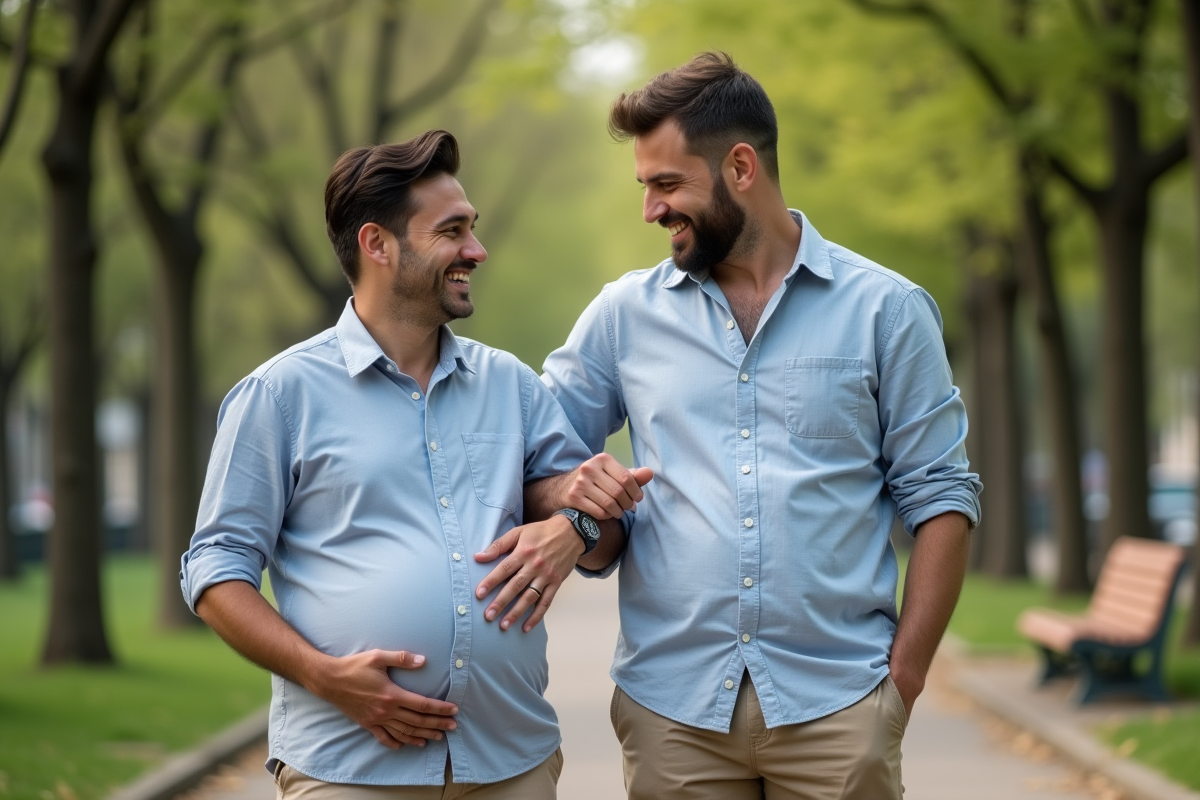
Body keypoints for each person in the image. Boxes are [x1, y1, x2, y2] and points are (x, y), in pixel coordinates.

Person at [504, 53, 983, 799]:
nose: (651, 209)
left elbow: (943, 497)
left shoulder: (886, 310)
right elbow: (530, 452)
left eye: (667, 184)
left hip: (841, 706)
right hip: (673, 711)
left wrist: (904, 682)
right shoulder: (624, 316)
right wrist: (574, 499)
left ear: (740, 166)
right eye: (644, 187)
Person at [179, 129, 648, 799]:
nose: (476, 251)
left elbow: (603, 544)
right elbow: (215, 571)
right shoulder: (279, 396)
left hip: (511, 764)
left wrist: (576, 518)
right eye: (452, 231)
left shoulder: (511, 387)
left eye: (473, 229)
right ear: (377, 244)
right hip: (350, 767)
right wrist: (324, 677)